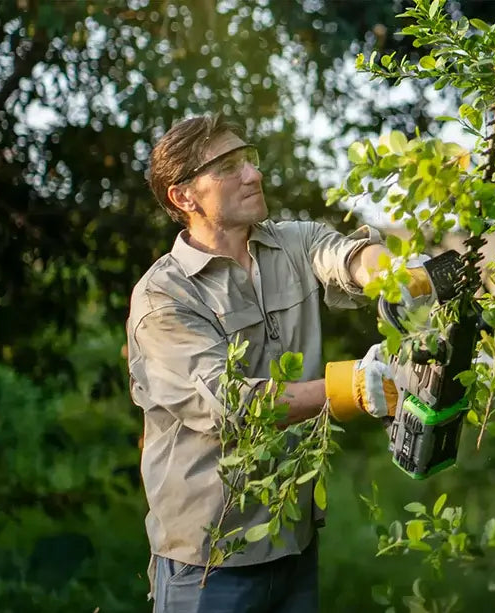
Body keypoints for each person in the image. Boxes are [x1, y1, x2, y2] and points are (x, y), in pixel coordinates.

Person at [126, 115, 429, 612]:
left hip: (293, 540)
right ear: (184, 197)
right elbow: (232, 406)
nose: (252, 174)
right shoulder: (164, 297)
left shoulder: (292, 243)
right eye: (228, 167)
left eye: (249, 159)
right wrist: (350, 386)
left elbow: (346, 256)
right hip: (210, 560)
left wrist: (394, 274)